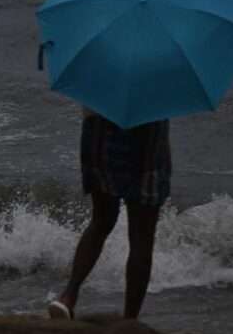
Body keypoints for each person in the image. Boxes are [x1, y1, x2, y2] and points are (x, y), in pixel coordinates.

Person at [48, 107, 171, 321]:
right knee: (142, 237)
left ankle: (68, 296)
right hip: (148, 131)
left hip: (101, 126)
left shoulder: (97, 71)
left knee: (102, 220)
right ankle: (129, 321)